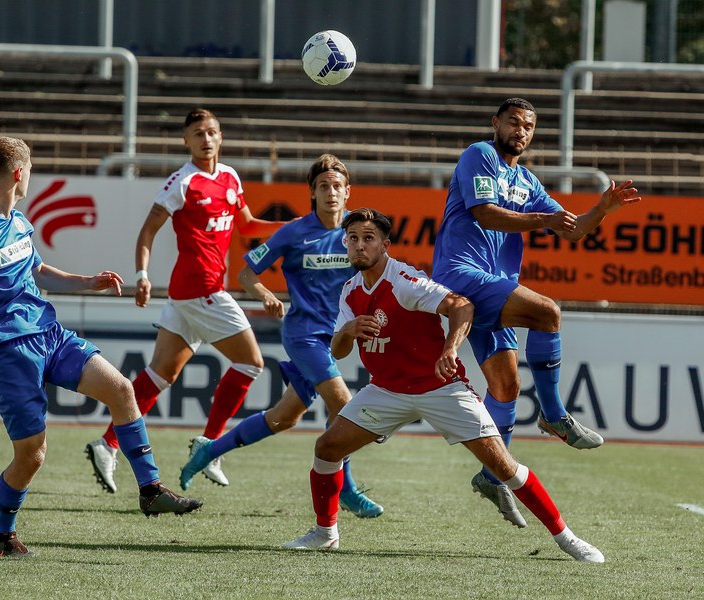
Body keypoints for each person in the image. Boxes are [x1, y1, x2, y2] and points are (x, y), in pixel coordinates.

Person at [0, 137, 202, 558]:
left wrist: (87, 282)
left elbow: (38, 271)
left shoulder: (20, 221)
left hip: (50, 335)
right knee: (32, 455)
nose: (30, 177)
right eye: (30, 170)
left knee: (122, 390)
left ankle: (150, 490)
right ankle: (2, 537)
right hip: (9, 350)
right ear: (18, 173)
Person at [283, 208, 604, 563]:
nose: (360, 245)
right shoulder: (350, 290)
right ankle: (325, 533)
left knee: (504, 467)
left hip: (440, 388)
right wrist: (347, 330)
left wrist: (450, 349)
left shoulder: (405, 281)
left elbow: (461, 306)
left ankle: (568, 538)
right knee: (327, 448)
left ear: (385, 245)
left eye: (368, 238)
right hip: (386, 390)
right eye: (353, 238)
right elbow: (338, 350)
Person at [431, 97, 641, 526]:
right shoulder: (480, 155)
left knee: (506, 387)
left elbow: (572, 230)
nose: (521, 131)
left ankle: (493, 476)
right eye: (513, 122)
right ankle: (554, 414)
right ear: (496, 122)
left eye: (528, 126)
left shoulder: (526, 181)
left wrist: (601, 210)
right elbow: (485, 214)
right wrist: (543, 220)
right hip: (462, 275)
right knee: (547, 312)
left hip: (494, 287)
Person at [85, 108, 285, 493]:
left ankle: (107, 444)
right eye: (198, 133)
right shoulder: (183, 182)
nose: (206, 139)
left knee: (160, 375)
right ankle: (210, 445)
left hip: (189, 296)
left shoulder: (230, 177)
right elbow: (147, 231)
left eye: (211, 132)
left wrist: (293, 227)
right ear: (186, 141)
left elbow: (247, 226)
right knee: (251, 362)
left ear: (220, 136)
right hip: (201, 290)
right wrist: (142, 276)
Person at [178, 154, 383, 518]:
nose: (331, 192)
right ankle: (347, 490)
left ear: (348, 191)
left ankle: (209, 450)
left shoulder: (357, 233)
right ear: (312, 193)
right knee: (343, 406)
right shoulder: (294, 232)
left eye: (337, 186)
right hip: (304, 335)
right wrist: (266, 295)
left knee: (284, 417)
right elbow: (246, 274)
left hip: (335, 337)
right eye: (323, 186)